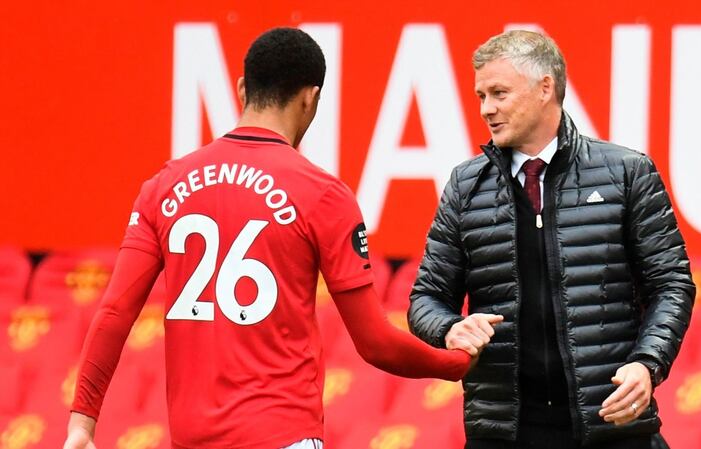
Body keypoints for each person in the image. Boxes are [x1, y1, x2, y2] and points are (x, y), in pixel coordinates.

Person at [63, 27, 499, 449]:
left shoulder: (163, 186)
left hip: (190, 439)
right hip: (282, 435)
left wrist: (82, 423)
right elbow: (374, 343)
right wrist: (456, 363)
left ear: (240, 90)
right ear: (311, 99)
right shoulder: (323, 195)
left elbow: (115, 311)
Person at [407, 30, 695, 449]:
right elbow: (425, 298)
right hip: (503, 432)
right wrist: (450, 328)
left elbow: (672, 284)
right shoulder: (464, 186)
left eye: (498, 93)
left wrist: (647, 365)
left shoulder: (628, 172)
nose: (486, 109)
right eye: (480, 96)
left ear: (545, 88)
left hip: (613, 426)